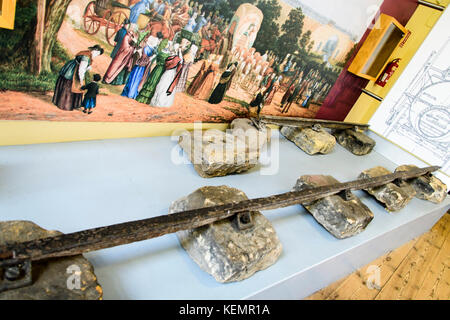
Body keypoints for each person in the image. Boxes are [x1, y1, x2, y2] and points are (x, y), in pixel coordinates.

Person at [52, 45, 104, 111]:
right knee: (72, 86)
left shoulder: (87, 53)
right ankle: (65, 105)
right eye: (97, 53)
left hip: (73, 67)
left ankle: (73, 104)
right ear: (95, 50)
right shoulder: (86, 57)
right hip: (73, 72)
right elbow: (81, 70)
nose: (96, 55)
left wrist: (87, 67)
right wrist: (81, 81)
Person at [121, 35, 159, 99]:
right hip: (145, 66)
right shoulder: (152, 50)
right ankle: (134, 93)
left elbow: (143, 57)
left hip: (140, 66)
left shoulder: (146, 48)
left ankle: (130, 93)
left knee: (134, 78)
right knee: (140, 80)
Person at [137, 39, 172, 104]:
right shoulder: (167, 54)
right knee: (154, 82)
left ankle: (144, 98)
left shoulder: (160, 52)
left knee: (153, 81)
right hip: (160, 70)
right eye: (167, 44)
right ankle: (147, 99)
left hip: (157, 69)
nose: (168, 45)